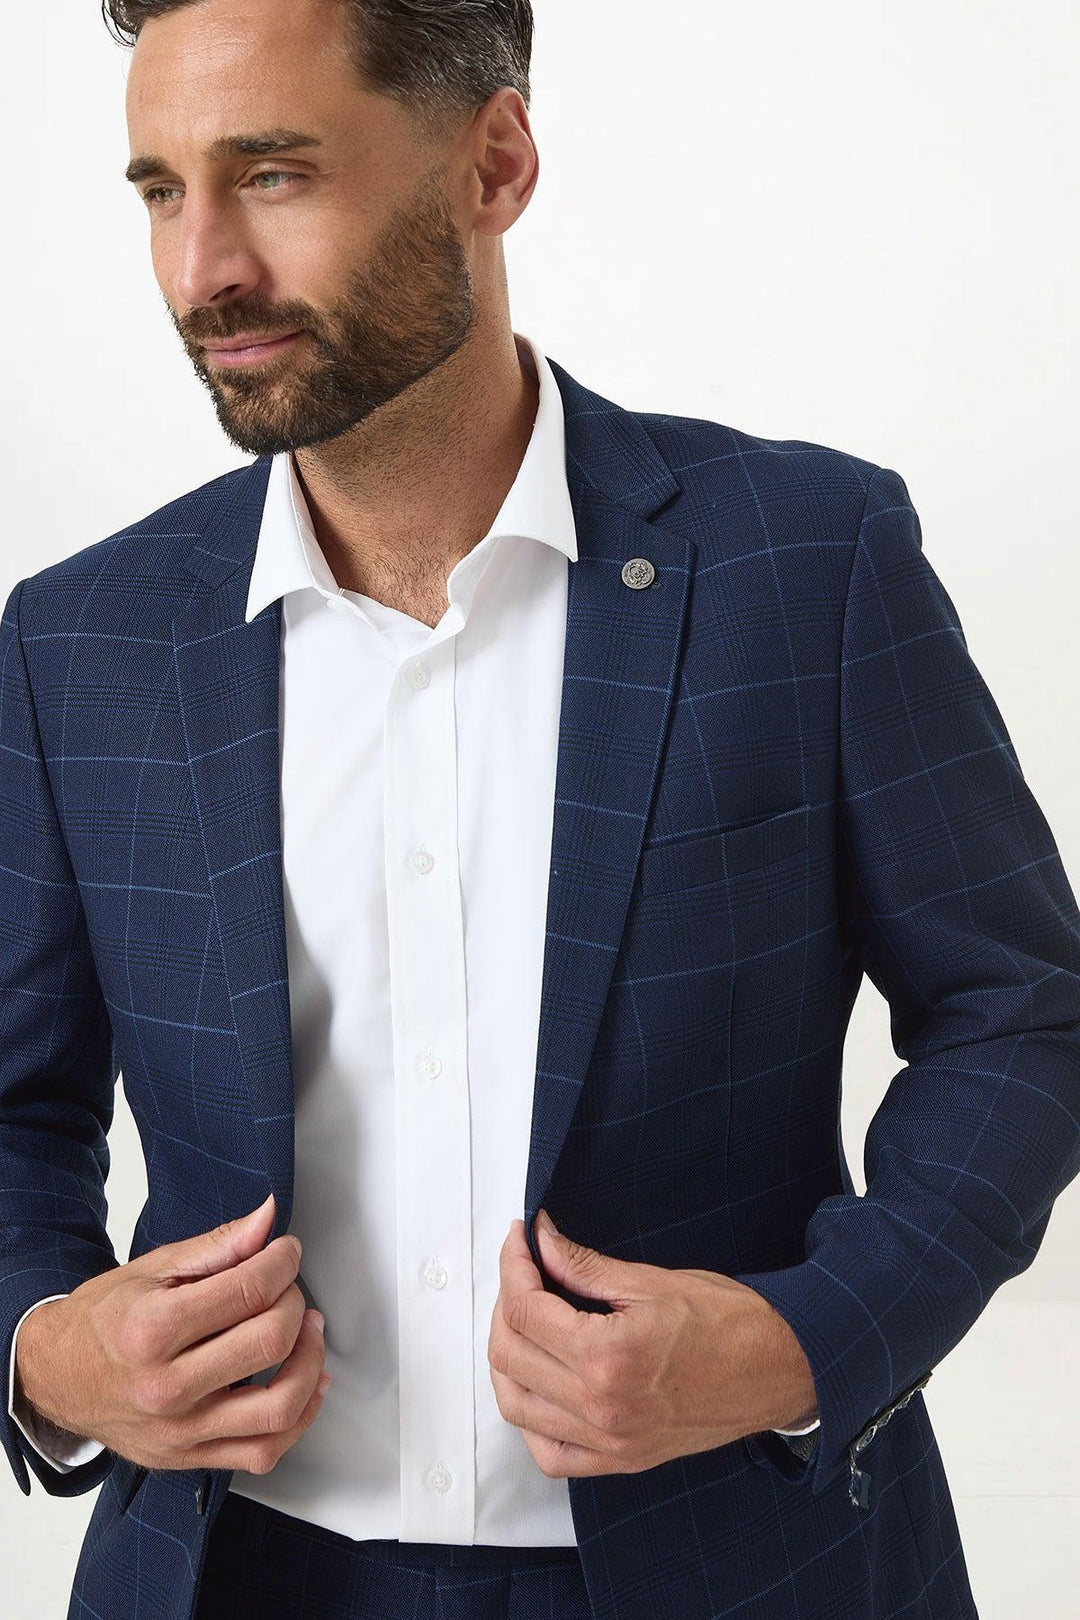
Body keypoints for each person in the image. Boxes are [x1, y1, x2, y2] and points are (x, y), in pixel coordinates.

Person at [2, 1, 1077, 1616]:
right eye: (160, 191)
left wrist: (808, 1339)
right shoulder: (84, 641)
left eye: (274, 175)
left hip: (744, 1565)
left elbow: (1022, 1009)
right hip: (233, 1578)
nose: (199, 270)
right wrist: (44, 1345)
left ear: (493, 161)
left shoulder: (806, 562)